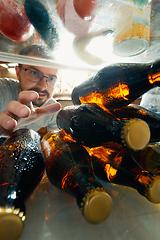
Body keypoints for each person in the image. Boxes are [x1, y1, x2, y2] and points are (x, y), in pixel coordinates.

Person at [0, 44, 61, 145]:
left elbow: (54, 145)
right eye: (34, 73)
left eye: (51, 79)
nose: (43, 87)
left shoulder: (53, 109)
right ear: (18, 73)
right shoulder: (2, 89)